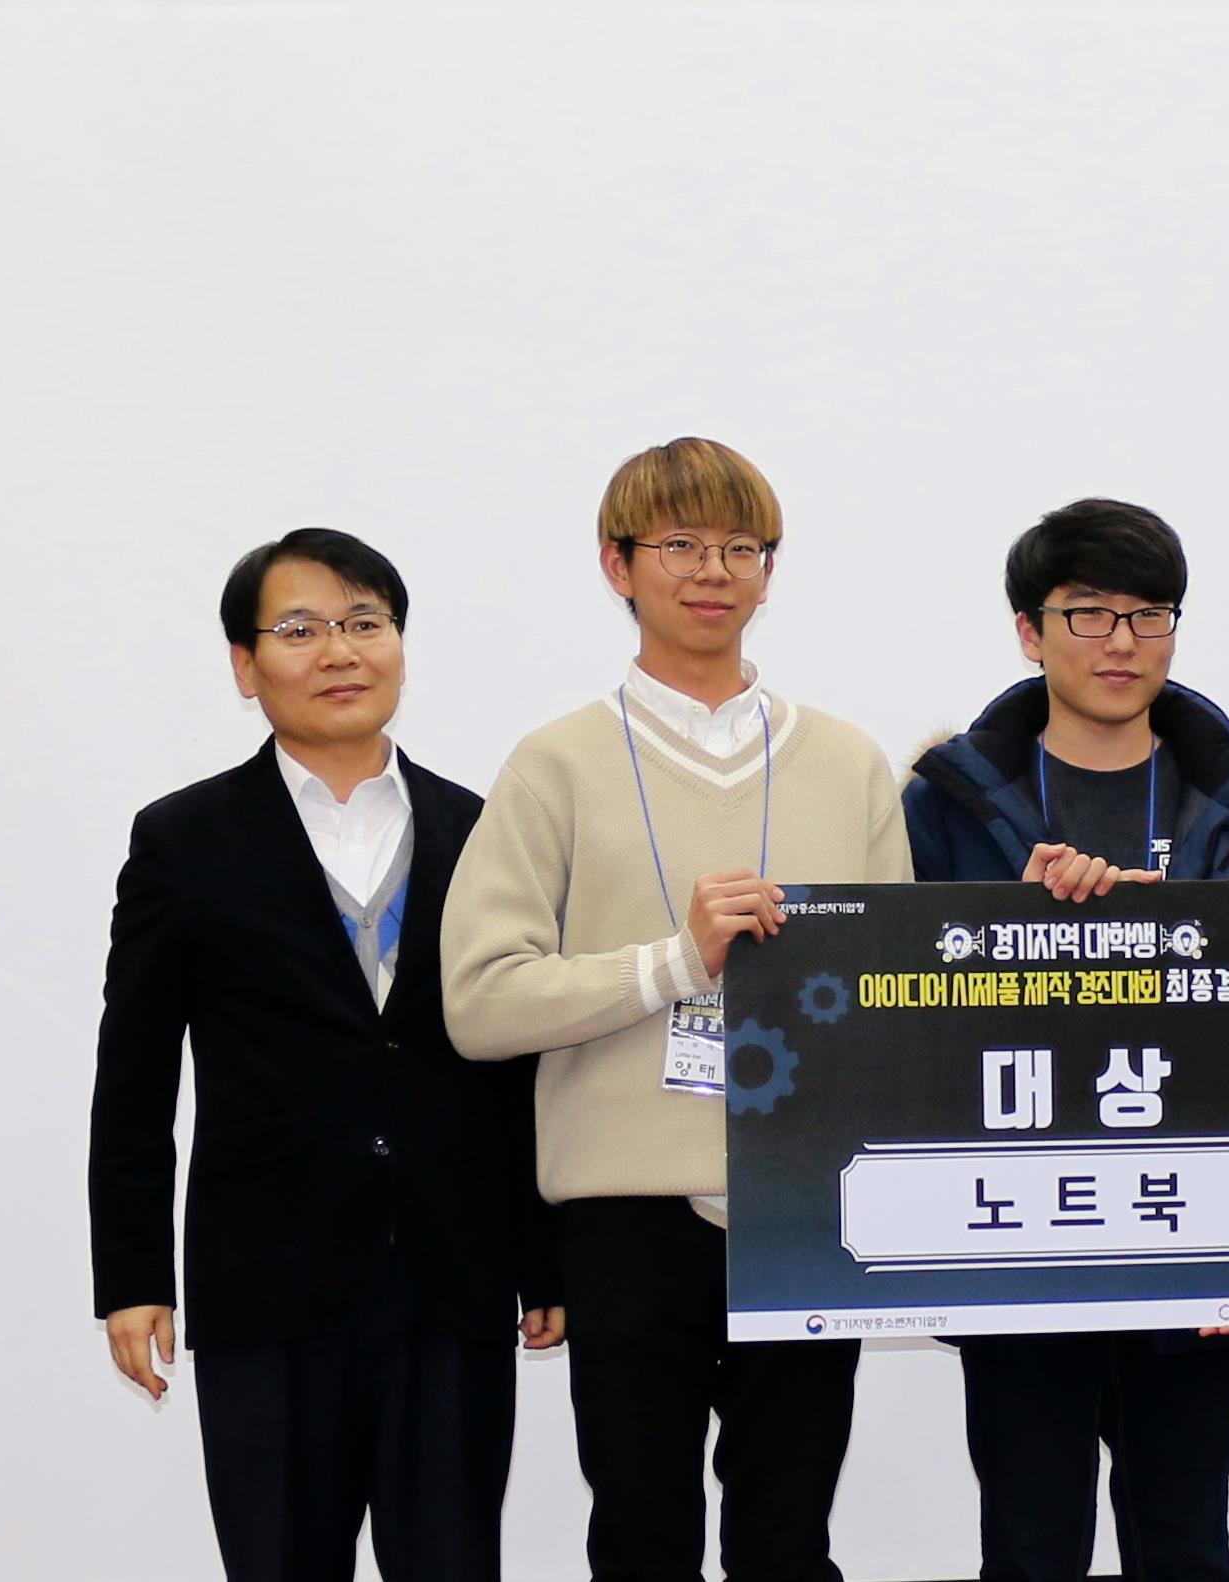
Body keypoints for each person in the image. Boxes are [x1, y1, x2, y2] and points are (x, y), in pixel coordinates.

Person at [439, 438, 911, 1581]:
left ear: (768, 571)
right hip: (626, 1217)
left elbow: (896, 1002)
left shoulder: (848, 760)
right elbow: (479, 1002)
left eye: (741, 547)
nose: (713, 570)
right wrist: (671, 963)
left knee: (788, 1540)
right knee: (642, 1536)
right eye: (681, 544)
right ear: (618, 565)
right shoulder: (554, 763)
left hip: (806, 1203)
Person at [88, 527, 559, 1581]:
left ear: (399, 644)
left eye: (364, 623)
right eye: (300, 630)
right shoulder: (184, 839)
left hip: (451, 1281)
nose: (340, 651)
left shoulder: (482, 829)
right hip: (267, 1286)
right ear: (245, 665)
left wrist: (543, 1258)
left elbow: (521, 1063)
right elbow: (134, 1074)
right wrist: (131, 1275)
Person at [902, 497, 1229, 1582]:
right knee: (1029, 1546)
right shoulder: (945, 808)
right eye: (1087, 613)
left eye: (1149, 614)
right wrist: (1014, 920)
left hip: (1197, 1235)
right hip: (1015, 1244)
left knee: (1186, 1544)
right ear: (1029, 632)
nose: (1121, 642)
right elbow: (899, 1024)